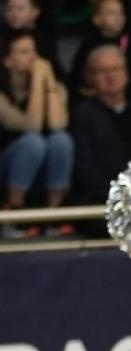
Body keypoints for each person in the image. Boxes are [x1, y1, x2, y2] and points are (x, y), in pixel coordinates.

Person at [69, 45, 131, 211]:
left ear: (126, 73)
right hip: (102, 201)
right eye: (102, 71)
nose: (111, 76)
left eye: (116, 69)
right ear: (89, 77)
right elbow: (85, 167)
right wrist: (119, 195)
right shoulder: (81, 115)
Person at [0, 31, 71, 232]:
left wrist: (45, 82)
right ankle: (15, 212)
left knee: (61, 141)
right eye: (23, 52)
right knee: (33, 142)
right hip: (7, 168)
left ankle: (54, 213)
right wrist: (40, 77)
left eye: (34, 51)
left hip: (43, 168)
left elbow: (58, 125)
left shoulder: (54, 86)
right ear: (8, 61)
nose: (33, 58)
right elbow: (32, 126)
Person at [67, 0, 131, 100]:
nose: (118, 18)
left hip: (124, 98)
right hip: (92, 98)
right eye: (111, 13)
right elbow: (76, 74)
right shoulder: (88, 43)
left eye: (121, 13)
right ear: (96, 19)